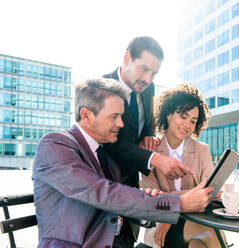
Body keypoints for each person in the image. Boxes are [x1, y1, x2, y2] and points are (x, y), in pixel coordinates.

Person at [32, 78, 213, 248]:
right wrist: (177, 203)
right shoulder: (55, 145)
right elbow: (107, 194)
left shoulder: (106, 152)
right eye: (114, 116)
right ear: (86, 115)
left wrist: (151, 198)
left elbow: (125, 197)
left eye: (121, 116)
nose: (121, 124)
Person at [142, 83, 226, 248]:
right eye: (183, 116)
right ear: (168, 115)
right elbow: (152, 199)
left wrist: (204, 196)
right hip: (162, 225)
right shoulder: (151, 151)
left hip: (198, 220)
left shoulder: (202, 150)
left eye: (193, 120)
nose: (187, 124)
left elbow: (207, 193)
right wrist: (192, 196)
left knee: (198, 245)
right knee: (208, 232)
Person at [103, 36, 191, 190]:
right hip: (106, 181)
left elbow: (147, 122)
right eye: (144, 69)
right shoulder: (102, 88)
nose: (148, 79)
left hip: (132, 181)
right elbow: (109, 142)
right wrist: (156, 159)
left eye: (154, 73)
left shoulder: (149, 88)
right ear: (127, 57)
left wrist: (149, 135)